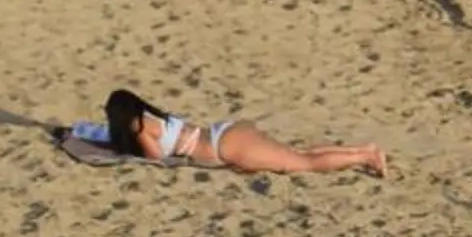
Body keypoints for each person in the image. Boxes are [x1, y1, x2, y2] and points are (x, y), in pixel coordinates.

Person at [75, 87, 389, 176]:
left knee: (302, 163)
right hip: (225, 131)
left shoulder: (141, 129)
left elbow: (157, 161)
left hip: (226, 147)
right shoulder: (150, 115)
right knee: (298, 153)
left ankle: (365, 156)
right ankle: (362, 150)